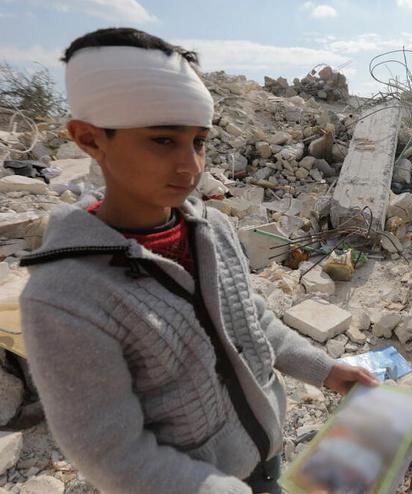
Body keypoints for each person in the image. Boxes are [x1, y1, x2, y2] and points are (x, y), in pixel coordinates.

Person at [19, 27, 377, 494]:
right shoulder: (65, 298)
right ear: (89, 139)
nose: (191, 166)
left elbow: (253, 324)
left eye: (199, 142)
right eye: (163, 141)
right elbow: (111, 454)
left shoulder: (213, 231)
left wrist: (325, 369)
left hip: (264, 458)